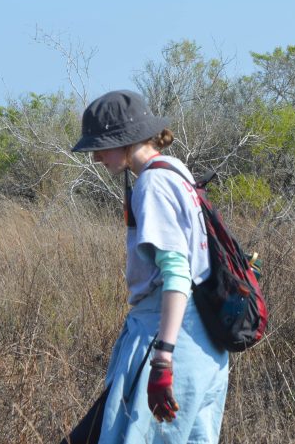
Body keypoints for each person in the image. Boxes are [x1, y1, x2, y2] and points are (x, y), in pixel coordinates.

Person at [68, 90, 228, 444]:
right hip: (204, 343)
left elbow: (176, 275)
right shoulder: (176, 171)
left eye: (101, 146)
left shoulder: (152, 185)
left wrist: (162, 360)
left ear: (126, 141)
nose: (95, 157)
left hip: (169, 336)